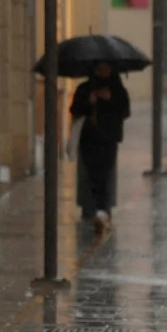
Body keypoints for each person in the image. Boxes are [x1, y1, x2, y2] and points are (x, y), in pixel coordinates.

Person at [69, 61, 129, 235]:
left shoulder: (117, 90)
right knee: (90, 173)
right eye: (99, 69)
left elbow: (125, 111)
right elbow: (75, 109)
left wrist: (110, 99)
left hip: (108, 138)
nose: (103, 72)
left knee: (105, 173)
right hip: (88, 138)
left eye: (106, 69)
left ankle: (103, 209)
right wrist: (89, 102)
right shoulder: (84, 88)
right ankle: (92, 208)